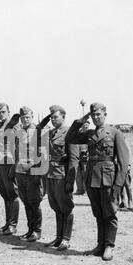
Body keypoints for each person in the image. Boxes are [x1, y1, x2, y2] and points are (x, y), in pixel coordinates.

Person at [65, 102, 130, 261]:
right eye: (93, 115)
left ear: (105, 114)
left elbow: (123, 163)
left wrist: (118, 186)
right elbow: (70, 137)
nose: (95, 117)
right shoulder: (89, 134)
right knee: (98, 213)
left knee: (109, 214)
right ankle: (100, 245)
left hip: (108, 179)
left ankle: (109, 246)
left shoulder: (115, 133)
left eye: (98, 114)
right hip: (92, 179)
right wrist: (81, 119)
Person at [45, 105, 79, 250]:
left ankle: (66, 239)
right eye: (51, 117)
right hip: (51, 174)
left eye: (56, 117)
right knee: (56, 207)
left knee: (66, 207)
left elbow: (74, 158)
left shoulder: (69, 133)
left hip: (62, 174)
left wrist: (70, 180)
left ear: (63, 117)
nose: (53, 120)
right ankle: (58, 237)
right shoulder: (51, 133)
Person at [14, 106, 46, 241]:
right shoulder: (19, 132)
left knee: (34, 202)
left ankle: (37, 231)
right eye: (23, 118)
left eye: (27, 117)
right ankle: (30, 229)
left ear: (32, 117)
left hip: (33, 172)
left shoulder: (39, 131)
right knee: (26, 201)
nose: (25, 120)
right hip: (20, 171)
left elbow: (43, 153)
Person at [0, 103, 20, 233]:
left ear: (8, 112)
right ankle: (7, 223)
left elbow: (19, 146)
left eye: (3, 112)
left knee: (12, 195)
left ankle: (13, 225)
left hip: (8, 164)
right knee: (5, 195)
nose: (1, 114)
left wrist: (15, 166)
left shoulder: (14, 126)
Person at [74, 121, 89, 195]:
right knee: (78, 174)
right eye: (84, 125)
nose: (86, 127)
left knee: (85, 173)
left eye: (87, 125)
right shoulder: (78, 134)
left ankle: (86, 190)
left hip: (85, 158)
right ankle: (80, 189)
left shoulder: (90, 134)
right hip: (77, 156)